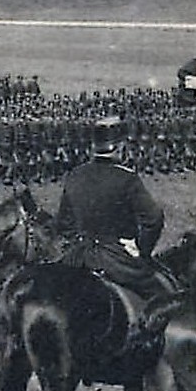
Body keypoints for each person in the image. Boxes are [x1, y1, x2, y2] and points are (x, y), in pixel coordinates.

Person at [56, 116, 166, 297]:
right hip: (115, 259)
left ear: (93, 147)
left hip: (77, 257)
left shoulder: (75, 175)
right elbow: (153, 219)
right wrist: (141, 249)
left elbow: (63, 224)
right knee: (158, 295)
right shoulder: (127, 178)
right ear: (120, 147)